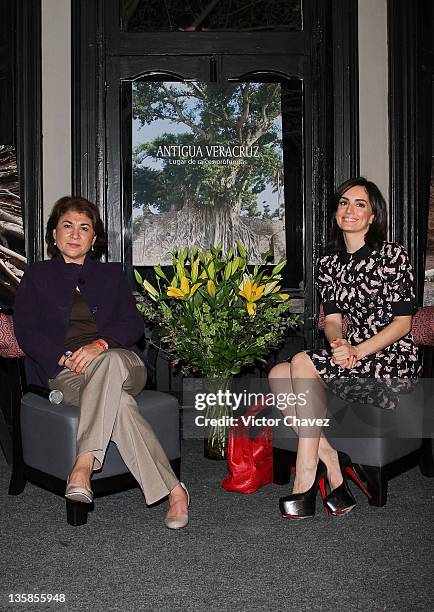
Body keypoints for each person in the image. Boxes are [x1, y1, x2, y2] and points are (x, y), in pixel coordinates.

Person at [13, 196, 189, 529]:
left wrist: (100, 344)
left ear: (94, 239)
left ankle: (83, 464)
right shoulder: (37, 276)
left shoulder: (110, 275)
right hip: (68, 374)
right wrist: (62, 356)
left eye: (84, 228)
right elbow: (26, 330)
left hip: (122, 364)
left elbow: (133, 324)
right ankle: (174, 490)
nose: (75, 234)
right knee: (119, 405)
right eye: (67, 226)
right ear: (54, 235)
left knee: (108, 364)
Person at [269, 177, 421, 519]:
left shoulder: (392, 256)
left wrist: (358, 351)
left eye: (360, 204)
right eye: (343, 203)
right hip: (352, 353)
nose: (349, 210)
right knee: (279, 374)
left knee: (300, 362)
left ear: (372, 216)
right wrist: (338, 341)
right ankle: (333, 462)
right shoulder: (329, 263)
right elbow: (333, 318)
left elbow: (403, 324)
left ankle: (306, 472)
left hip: (389, 360)